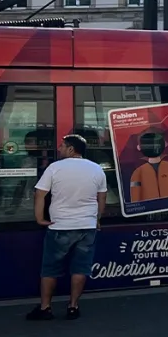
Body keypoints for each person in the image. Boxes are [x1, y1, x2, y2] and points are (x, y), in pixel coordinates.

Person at [27, 134, 107, 321]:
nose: (60, 149)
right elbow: (101, 198)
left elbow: (40, 194)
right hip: (87, 226)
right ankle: (73, 306)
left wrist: (40, 218)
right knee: (80, 268)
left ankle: (45, 308)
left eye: (62, 146)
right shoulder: (96, 169)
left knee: (50, 269)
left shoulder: (55, 168)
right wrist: (97, 219)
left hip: (59, 226)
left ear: (71, 149)